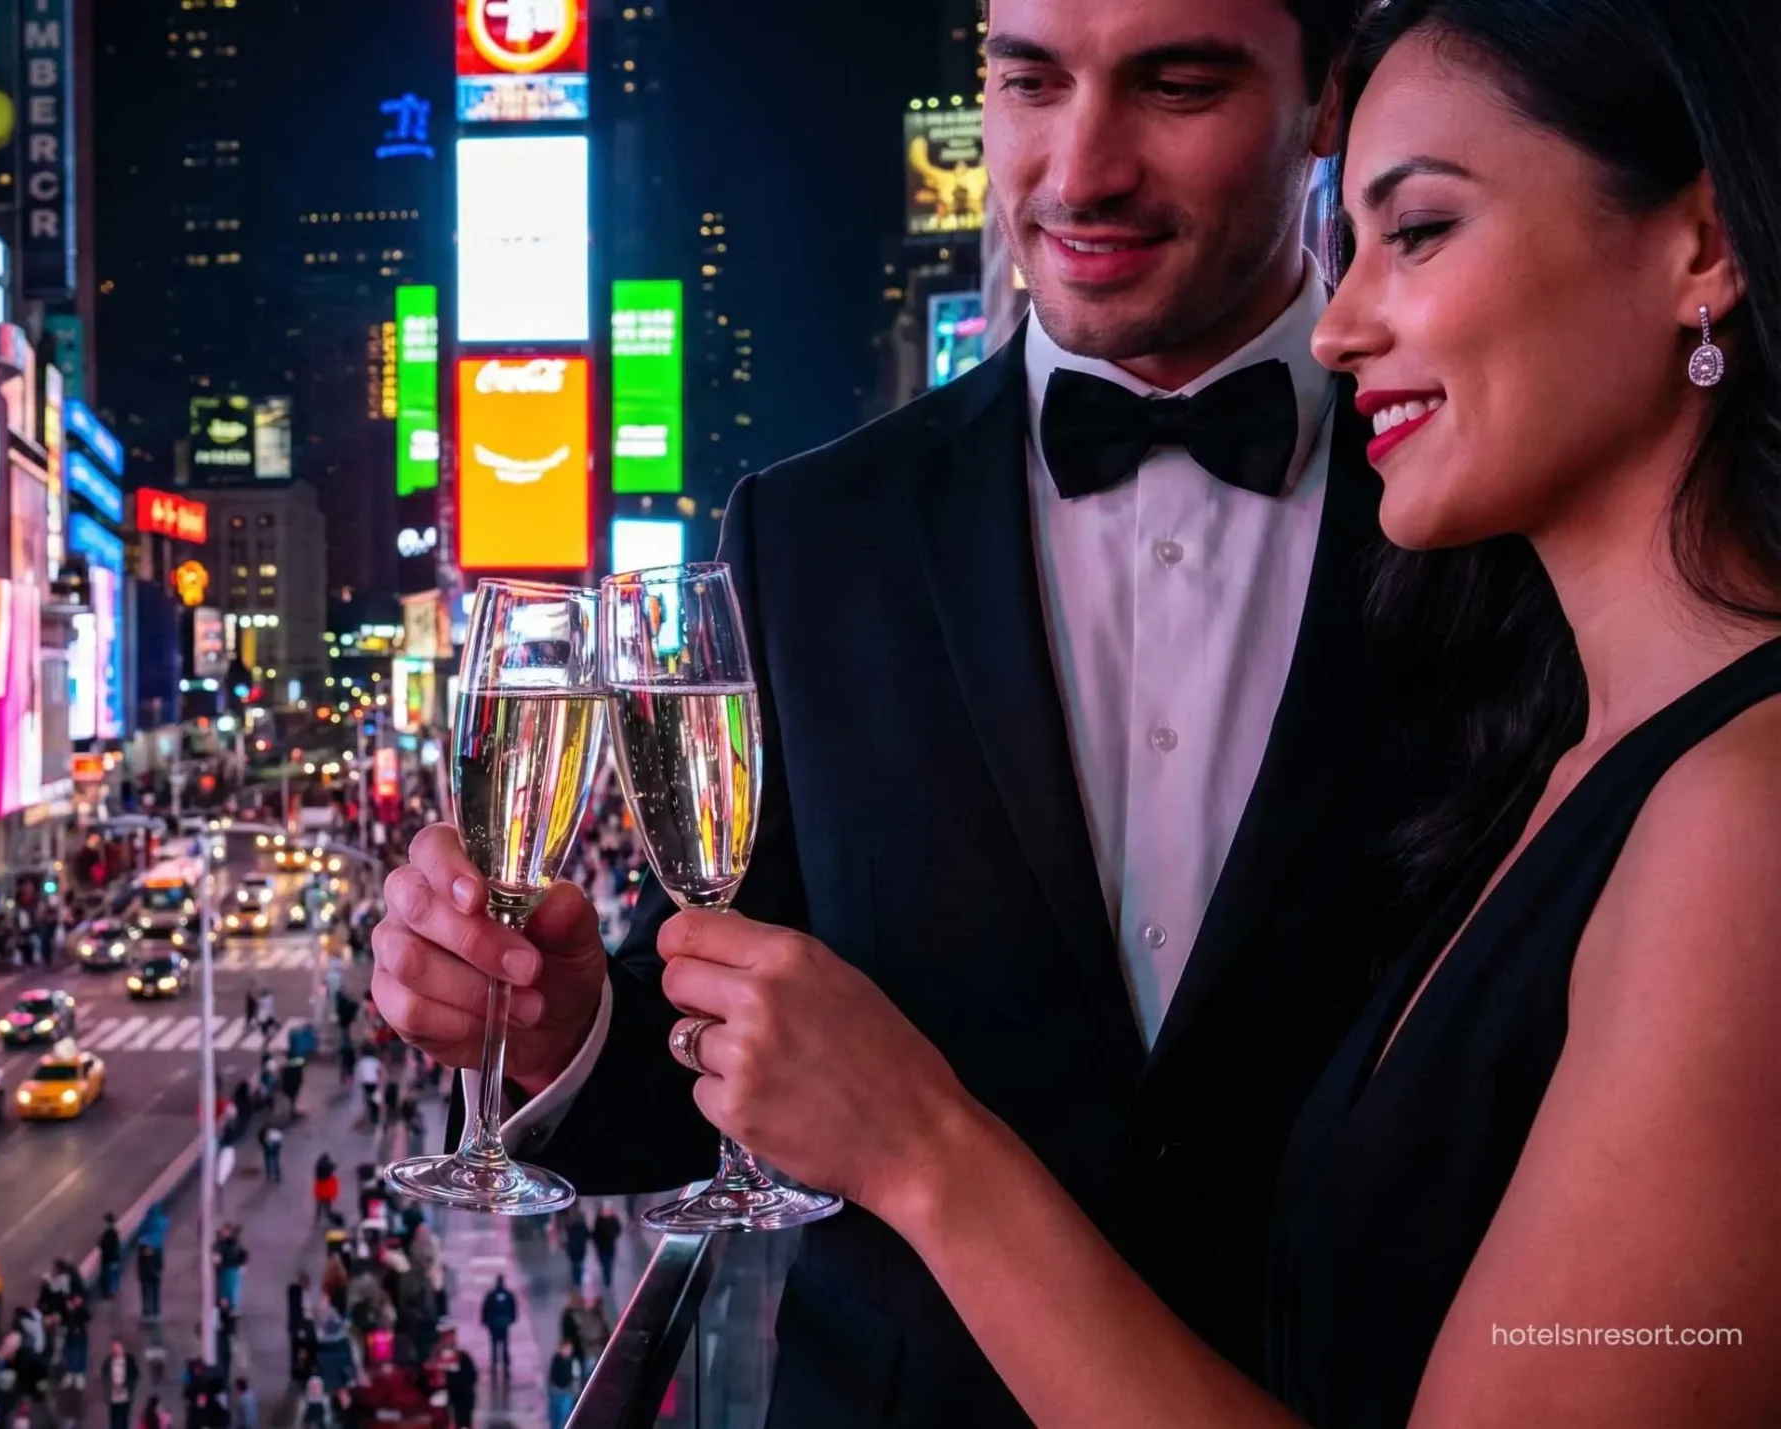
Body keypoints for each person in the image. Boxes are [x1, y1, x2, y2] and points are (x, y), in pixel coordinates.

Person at [369, 0, 1455, 1418]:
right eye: (1028, 80)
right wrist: (560, 1022)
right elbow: (721, 1024)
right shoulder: (810, 532)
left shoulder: (1484, 509)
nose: (1080, 170)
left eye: (1178, 85)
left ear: (1331, 100)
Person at [479, 1277, 517, 1380]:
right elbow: (513, 1308)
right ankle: (505, 1366)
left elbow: (485, 1308)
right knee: (505, 1345)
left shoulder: (491, 1295)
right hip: (504, 1324)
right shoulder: (508, 1295)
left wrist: (484, 1321)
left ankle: (494, 1365)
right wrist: (512, 1319)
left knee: (494, 1345)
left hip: (494, 1324)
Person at [101, 1339, 139, 1429]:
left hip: (125, 1395)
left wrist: (126, 1385)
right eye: (114, 1348)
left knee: (124, 1418)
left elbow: (135, 1375)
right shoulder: (108, 1361)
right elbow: (104, 1375)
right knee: (113, 1418)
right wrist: (110, 1385)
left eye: (118, 1347)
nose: (116, 1350)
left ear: (122, 1348)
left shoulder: (129, 1361)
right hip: (112, 1395)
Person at [545, 1338, 581, 1429]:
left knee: (565, 1416)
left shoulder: (573, 1362)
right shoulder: (556, 1360)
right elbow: (552, 1376)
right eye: (565, 1349)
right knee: (555, 1418)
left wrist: (575, 1393)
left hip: (567, 1392)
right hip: (556, 1392)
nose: (567, 1351)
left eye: (569, 1349)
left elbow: (576, 1378)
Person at [589, 1204, 621, 1291]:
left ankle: (607, 1278)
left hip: (604, 1247)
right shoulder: (610, 1219)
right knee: (607, 1263)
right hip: (607, 1246)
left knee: (606, 1263)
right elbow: (618, 1230)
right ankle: (607, 1278)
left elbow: (595, 1233)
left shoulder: (600, 1219)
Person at [557, 1209, 587, 1292]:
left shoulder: (570, 1226)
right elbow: (586, 1235)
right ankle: (577, 1280)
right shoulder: (577, 1225)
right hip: (578, 1248)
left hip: (575, 1248)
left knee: (575, 1264)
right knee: (577, 1264)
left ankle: (577, 1280)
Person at [95, 1214, 124, 1298]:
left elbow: (100, 1243)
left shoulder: (107, 1233)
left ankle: (109, 1292)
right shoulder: (115, 1231)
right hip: (114, 1257)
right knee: (114, 1274)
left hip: (108, 1258)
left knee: (108, 1276)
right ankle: (113, 1290)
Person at [135, 1240, 163, 1321]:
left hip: (152, 1276)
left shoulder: (153, 1254)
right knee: (147, 1293)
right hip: (148, 1276)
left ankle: (153, 1311)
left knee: (152, 1294)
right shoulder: (154, 1253)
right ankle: (149, 1312)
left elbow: (160, 1264)